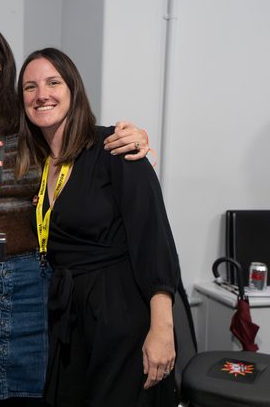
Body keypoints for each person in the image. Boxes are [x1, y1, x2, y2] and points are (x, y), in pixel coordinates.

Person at [0, 14, 150, 407]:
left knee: (34, 395)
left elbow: (77, 143)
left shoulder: (27, 118)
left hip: (34, 278)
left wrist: (130, 134)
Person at [16, 47, 180, 407]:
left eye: (53, 82)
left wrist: (162, 329)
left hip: (122, 319)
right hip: (69, 322)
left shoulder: (116, 149)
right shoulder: (37, 165)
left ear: (73, 90)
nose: (41, 94)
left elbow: (154, 240)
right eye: (30, 87)